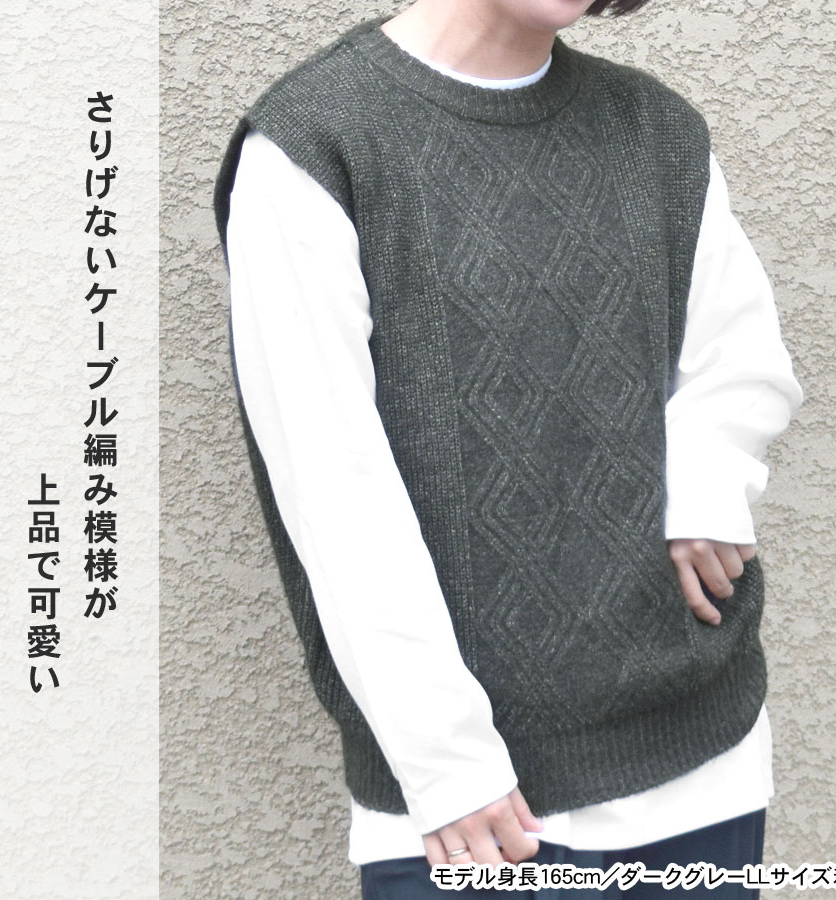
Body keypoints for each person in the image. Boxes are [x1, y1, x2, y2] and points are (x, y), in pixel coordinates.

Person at [213, 1, 804, 896]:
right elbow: (330, 486)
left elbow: (740, 356)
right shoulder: (314, 145)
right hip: (471, 810)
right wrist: (445, 763)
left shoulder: (654, 127)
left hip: (699, 762)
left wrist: (706, 483)